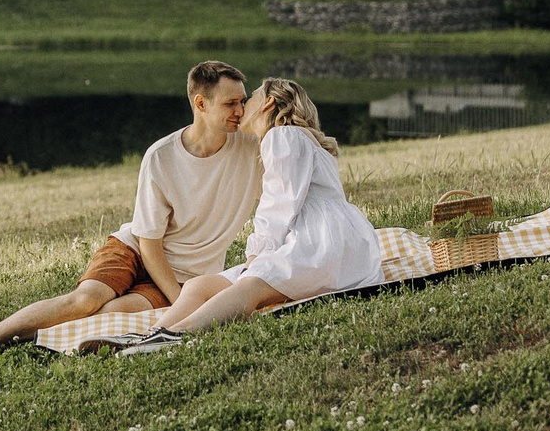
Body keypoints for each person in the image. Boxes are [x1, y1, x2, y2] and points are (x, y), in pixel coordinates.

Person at [0, 60, 262, 368]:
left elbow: (298, 152)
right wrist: (180, 303)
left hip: (187, 275)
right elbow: (148, 243)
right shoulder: (161, 157)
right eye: (230, 103)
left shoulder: (254, 148)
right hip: (135, 249)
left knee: (111, 313)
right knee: (85, 301)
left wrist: (183, 295)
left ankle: (25, 338)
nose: (241, 110)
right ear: (201, 104)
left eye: (243, 101)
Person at [117, 77, 382, 355]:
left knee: (251, 285)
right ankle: (149, 335)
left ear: (267, 103)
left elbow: (280, 203)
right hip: (341, 241)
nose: (242, 108)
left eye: (249, 99)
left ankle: (175, 335)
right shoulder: (296, 138)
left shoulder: (282, 136)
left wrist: (257, 253)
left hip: (326, 243)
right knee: (199, 285)